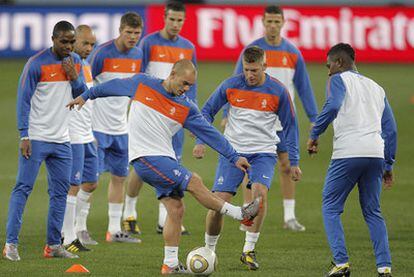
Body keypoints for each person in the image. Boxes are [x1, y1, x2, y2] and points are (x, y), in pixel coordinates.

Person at [67, 59, 262, 274]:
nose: (186, 88)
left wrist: (234, 156)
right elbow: (110, 87)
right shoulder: (142, 84)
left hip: (165, 159)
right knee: (194, 181)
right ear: (172, 74)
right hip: (145, 158)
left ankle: (170, 264)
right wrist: (85, 96)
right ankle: (239, 213)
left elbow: (210, 134)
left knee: (176, 209)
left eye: (190, 85)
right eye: (184, 83)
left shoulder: (187, 107)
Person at [193, 46, 301, 270]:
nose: (249, 75)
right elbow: (205, 112)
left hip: (263, 153)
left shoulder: (279, 91)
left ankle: (249, 250)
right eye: (246, 70)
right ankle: (209, 251)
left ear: (264, 67)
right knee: (217, 204)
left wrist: (295, 161)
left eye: (254, 70)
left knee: (259, 197)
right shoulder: (231, 84)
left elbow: (291, 127)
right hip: (231, 153)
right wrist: (200, 141)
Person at [222, 5, 318, 232]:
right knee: (249, 169)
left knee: (287, 166)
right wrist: (227, 114)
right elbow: (234, 83)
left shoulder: (293, 53)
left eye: (277, 22)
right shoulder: (252, 51)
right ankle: (248, 215)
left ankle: (289, 217)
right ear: (263, 23)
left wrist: (314, 118)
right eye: (269, 22)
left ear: (283, 23)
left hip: (282, 121)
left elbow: (304, 88)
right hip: (255, 119)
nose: (273, 26)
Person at [307, 43, 396, 277]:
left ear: (339, 63)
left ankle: (341, 263)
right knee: (373, 212)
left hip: (348, 153)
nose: (328, 71)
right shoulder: (377, 87)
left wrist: (315, 133)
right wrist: (388, 165)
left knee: (331, 207)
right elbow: (391, 130)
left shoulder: (338, 80)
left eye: (329, 65)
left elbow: (334, 104)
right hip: (375, 154)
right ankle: (384, 267)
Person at [3, 21, 87, 261]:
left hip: (62, 140)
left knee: (60, 193)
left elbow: (81, 95)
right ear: (53, 39)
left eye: (72, 41)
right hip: (37, 139)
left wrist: (74, 77)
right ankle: (10, 245)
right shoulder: (36, 64)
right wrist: (24, 134)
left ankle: (53, 246)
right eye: (64, 41)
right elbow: (23, 100)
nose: (69, 46)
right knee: (23, 188)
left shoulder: (76, 62)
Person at [122, 0, 196, 236]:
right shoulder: (149, 43)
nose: (176, 24)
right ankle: (129, 213)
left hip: (173, 115)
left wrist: (192, 115)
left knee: (173, 162)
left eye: (180, 20)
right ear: (164, 18)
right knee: (142, 164)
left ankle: (166, 218)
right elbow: (138, 77)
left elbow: (190, 85)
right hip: (149, 114)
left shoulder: (188, 47)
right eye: (172, 19)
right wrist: (131, 106)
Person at [87, 12, 143, 243]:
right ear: (120, 30)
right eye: (128, 32)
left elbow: (133, 87)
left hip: (121, 129)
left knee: (120, 177)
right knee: (89, 182)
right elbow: (87, 86)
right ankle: (78, 228)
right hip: (97, 128)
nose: (132, 37)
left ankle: (113, 230)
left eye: (137, 33)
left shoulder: (138, 55)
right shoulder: (101, 53)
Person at [61, 25, 98, 252]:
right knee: (73, 185)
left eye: (92, 44)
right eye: (85, 43)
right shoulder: (70, 61)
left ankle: (78, 227)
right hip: (73, 133)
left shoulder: (86, 65)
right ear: (74, 42)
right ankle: (68, 235)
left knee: (91, 182)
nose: (89, 48)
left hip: (87, 134)